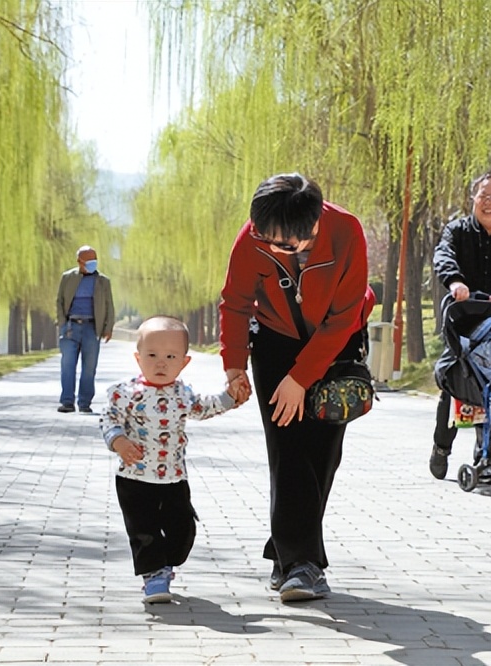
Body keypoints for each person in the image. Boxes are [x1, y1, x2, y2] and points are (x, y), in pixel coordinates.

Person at [219, 173, 375, 602]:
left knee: (323, 451)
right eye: (266, 240)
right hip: (274, 341)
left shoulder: (346, 231)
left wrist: (301, 378)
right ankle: (304, 564)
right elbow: (234, 302)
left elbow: (343, 316)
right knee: (287, 447)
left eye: (287, 245)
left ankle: (284, 553)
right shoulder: (253, 237)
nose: (274, 250)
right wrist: (235, 366)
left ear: (314, 226)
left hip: (337, 341)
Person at [100, 315, 247, 603]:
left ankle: (168, 562)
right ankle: (154, 577)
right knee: (144, 531)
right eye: (152, 355)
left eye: (170, 356)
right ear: (138, 357)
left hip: (173, 477)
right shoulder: (126, 393)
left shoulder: (182, 393)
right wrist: (118, 440)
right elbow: (109, 418)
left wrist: (230, 396)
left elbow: (206, 407)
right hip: (134, 478)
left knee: (182, 530)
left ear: (184, 362)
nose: (161, 363)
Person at [430, 172, 491, 480]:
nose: (487, 203)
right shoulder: (457, 231)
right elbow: (442, 256)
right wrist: (455, 282)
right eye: (482, 196)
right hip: (464, 323)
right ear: (472, 199)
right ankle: (441, 447)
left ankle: (490, 454)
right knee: (456, 381)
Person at [56, 245, 115, 413]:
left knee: (89, 368)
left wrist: (108, 327)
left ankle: (84, 403)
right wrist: (62, 323)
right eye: (88, 261)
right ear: (79, 262)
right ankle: (67, 402)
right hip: (71, 327)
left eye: (94, 260)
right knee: (67, 365)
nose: (92, 264)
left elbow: (109, 305)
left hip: (92, 327)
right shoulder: (67, 278)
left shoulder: (103, 281)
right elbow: (59, 301)